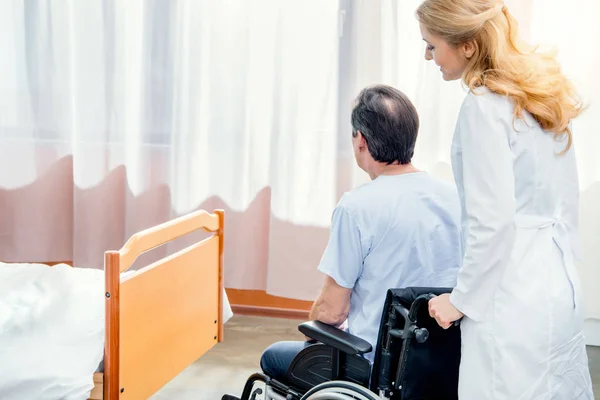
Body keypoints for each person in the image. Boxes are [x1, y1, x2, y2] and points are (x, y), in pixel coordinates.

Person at [417, 1, 594, 399]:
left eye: (431, 45)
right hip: (557, 284)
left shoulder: (483, 108)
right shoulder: (541, 98)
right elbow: (566, 203)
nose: (428, 56)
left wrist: (458, 301)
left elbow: (491, 224)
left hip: (509, 296)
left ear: (466, 46)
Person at [259, 84, 464, 382]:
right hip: (443, 364)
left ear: (361, 141)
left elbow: (331, 313)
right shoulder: (455, 199)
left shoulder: (357, 207)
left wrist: (315, 326)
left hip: (376, 368)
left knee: (274, 356)